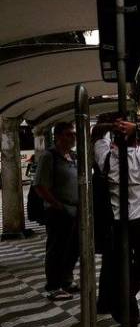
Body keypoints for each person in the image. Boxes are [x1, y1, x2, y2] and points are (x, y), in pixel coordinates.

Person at [94, 118, 140, 327]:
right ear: (137, 142)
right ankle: (123, 300)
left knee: (119, 266)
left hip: (116, 224)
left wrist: (112, 126)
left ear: (113, 142)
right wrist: (136, 126)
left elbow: (96, 134)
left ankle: (123, 306)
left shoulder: (105, 157)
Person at [34, 122, 80, 300]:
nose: (73, 137)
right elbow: (39, 186)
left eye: (73, 134)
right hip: (58, 212)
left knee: (72, 248)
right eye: (69, 134)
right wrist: (57, 205)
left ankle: (66, 280)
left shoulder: (73, 156)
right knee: (56, 249)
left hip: (74, 211)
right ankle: (53, 286)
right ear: (58, 136)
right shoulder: (49, 156)